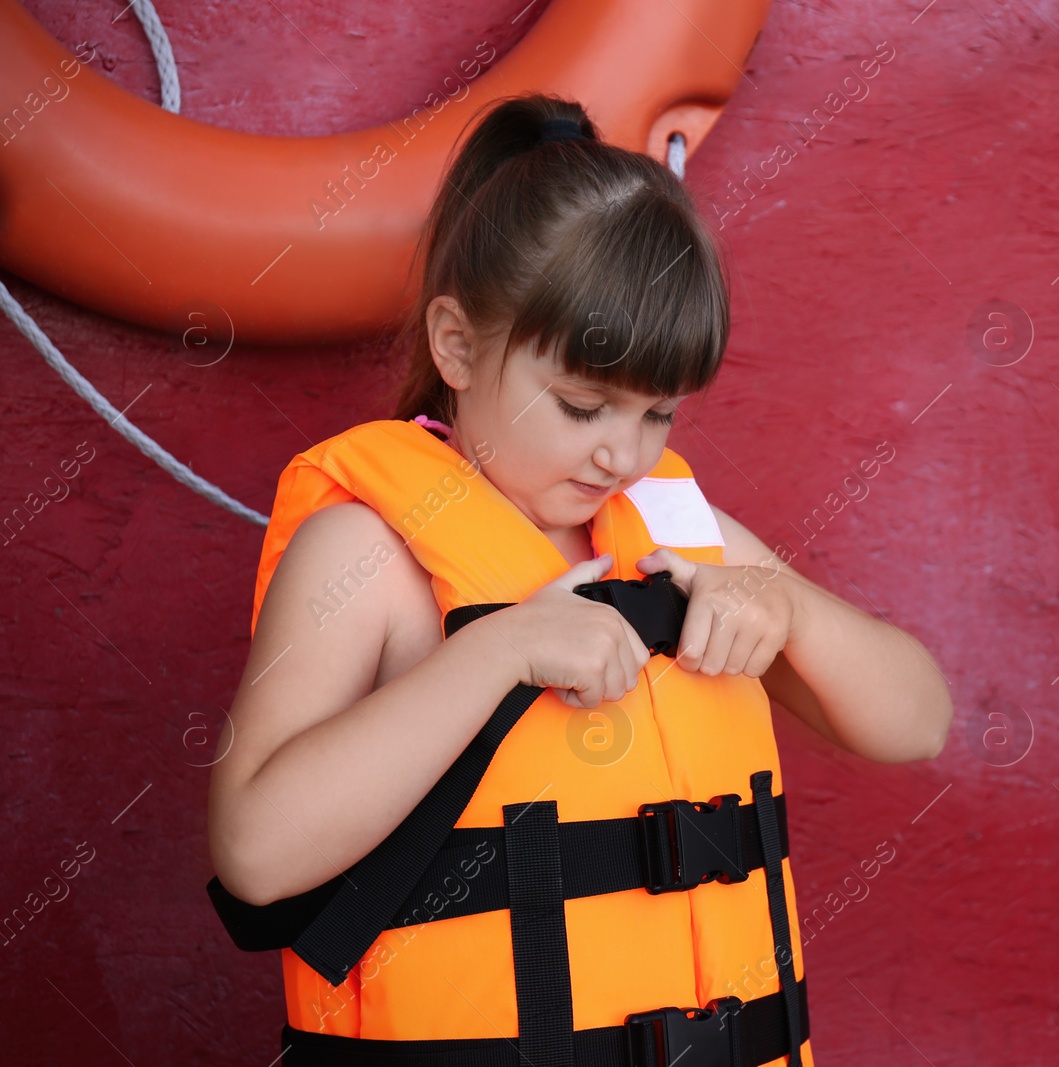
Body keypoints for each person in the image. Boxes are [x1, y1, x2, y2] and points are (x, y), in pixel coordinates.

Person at [206, 93, 952, 1064]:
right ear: (458, 346)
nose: (620, 455)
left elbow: (918, 719)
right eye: (582, 405)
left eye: (658, 416)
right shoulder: (367, 555)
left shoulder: (681, 534)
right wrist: (497, 649)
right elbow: (256, 855)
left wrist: (786, 605)